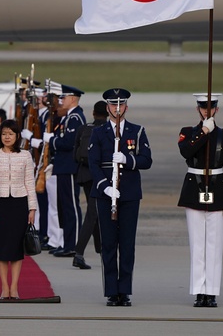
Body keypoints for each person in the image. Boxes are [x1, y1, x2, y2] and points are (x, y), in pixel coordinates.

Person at [89, 87, 152, 307]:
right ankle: (110, 291)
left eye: (121, 105)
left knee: (127, 244)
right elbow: (93, 164)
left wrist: (127, 159)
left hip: (129, 195)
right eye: (113, 105)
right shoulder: (98, 133)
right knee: (108, 244)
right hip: (106, 194)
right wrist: (104, 186)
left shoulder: (137, 131)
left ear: (126, 106)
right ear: (107, 108)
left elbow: (146, 160)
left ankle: (124, 290)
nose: (117, 109)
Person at [178, 93, 223, 308]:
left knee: (214, 246)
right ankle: (198, 291)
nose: (207, 111)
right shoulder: (188, 132)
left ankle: (211, 292)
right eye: (203, 107)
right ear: (198, 109)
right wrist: (204, 131)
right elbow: (187, 151)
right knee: (197, 245)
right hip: (194, 189)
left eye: (211, 107)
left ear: (217, 109)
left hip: (217, 190)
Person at [0, 120, 37, 300]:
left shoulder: (26, 156)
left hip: (19, 203)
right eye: (4, 133)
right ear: (0, 136)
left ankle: (15, 287)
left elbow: (30, 183)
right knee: (1, 248)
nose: (7, 137)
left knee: (16, 248)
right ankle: (4, 287)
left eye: (11, 134)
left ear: (17, 136)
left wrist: (32, 208)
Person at [45, 84, 85, 257]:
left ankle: (74, 244)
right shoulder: (68, 117)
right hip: (62, 166)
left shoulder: (75, 118)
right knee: (64, 207)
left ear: (73, 99)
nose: (60, 101)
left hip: (69, 166)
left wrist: (51, 140)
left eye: (64, 98)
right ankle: (67, 242)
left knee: (70, 207)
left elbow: (68, 143)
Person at [72, 99, 108, 270]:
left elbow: (75, 155)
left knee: (95, 212)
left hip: (85, 175)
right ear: (108, 114)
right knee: (93, 214)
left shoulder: (84, 129)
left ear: (93, 113)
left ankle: (101, 250)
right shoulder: (108, 130)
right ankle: (78, 253)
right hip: (100, 176)